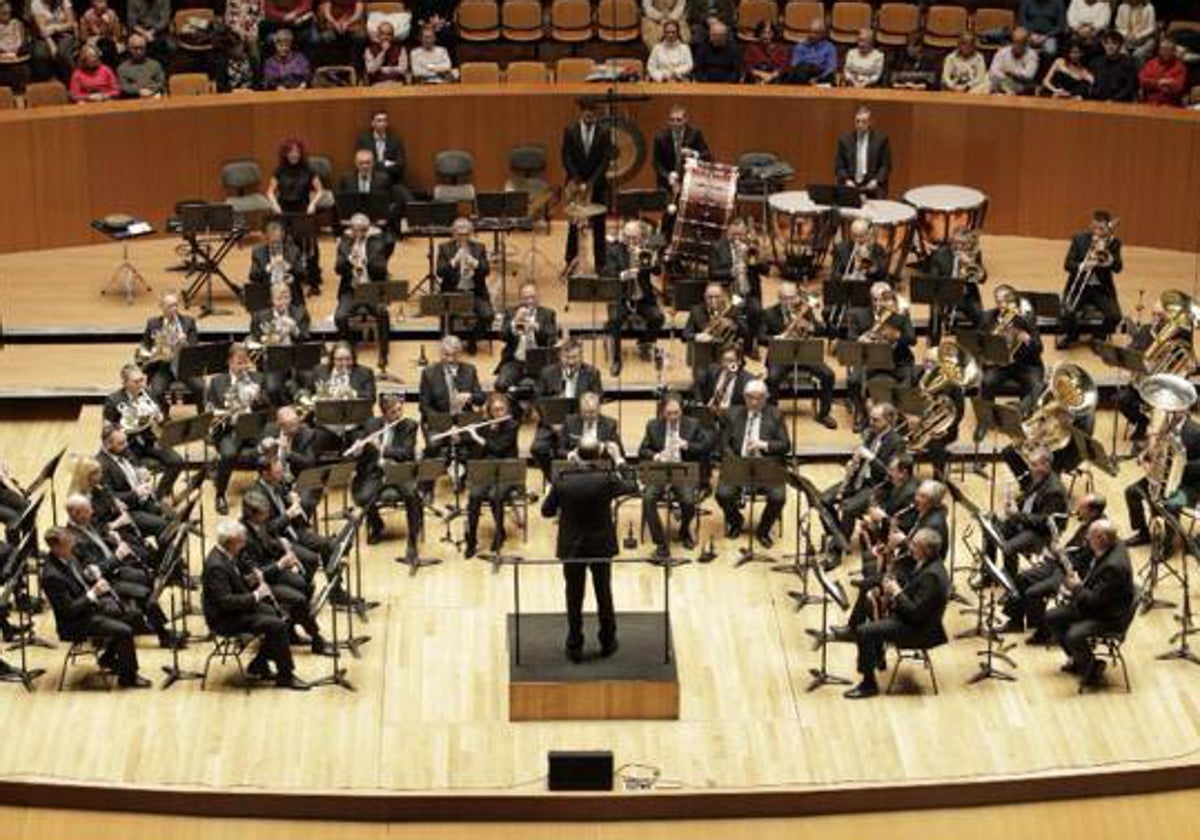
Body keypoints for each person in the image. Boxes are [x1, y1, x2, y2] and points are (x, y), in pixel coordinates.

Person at [541, 436, 637, 663]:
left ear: (577, 454)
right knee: (603, 593)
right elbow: (634, 485)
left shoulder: (562, 479)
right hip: (600, 545)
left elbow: (546, 511)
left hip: (572, 545)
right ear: (598, 455)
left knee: (574, 596)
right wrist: (619, 459)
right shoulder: (607, 479)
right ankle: (607, 641)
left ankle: (574, 645)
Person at [202, 520, 311, 689]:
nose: (244, 544)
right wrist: (256, 595)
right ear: (231, 542)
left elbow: (235, 583)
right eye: (241, 541)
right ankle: (285, 675)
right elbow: (225, 602)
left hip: (238, 608)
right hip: (225, 619)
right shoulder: (216, 565)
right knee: (277, 625)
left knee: (283, 616)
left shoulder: (228, 555)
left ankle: (259, 664)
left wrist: (252, 579)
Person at [843, 528, 949, 699]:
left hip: (919, 630)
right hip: (911, 620)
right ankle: (877, 657)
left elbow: (915, 615)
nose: (910, 547)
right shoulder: (927, 562)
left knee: (864, 631)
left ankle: (868, 685)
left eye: (915, 545)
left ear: (927, 550)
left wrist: (896, 592)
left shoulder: (933, 576)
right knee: (870, 604)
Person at [41, 527, 151, 689]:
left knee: (133, 615)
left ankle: (107, 658)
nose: (72, 545)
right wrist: (94, 593)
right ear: (56, 547)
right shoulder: (52, 576)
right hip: (74, 623)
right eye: (67, 543)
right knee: (124, 631)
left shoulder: (67, 557)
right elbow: (68, 610)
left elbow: (79, 579)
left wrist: (89, 575)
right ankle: (128, 677)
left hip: (88, 608)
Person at [1003, 493, 1106, 641]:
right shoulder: (1089, 521)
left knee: (1033, 592)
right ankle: (1015, 621)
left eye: (1082, 507)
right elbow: (1074, 548)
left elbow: (1085, 560)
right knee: (1021, 578)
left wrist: (1060, 553)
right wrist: (1057, 552)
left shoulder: (1098, 530)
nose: (1077, 509)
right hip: (1061, 563)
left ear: (1093, 511)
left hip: (1073, 574)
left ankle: (1045, 631)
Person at [1044, 520, 1134, 686]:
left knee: (1073, 634)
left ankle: (1092, 673)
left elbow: (1096, 602)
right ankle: (1081, 660)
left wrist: (1077, 588)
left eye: (1090, 536)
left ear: (1101, 538)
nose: (1086, 538)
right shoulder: (1112, 543)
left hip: (1109, 615)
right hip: (1100, 603)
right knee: (1052, 616)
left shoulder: (1113, 567)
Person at [820, 402, 906, 570]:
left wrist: (871, 458)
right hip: (858, 479)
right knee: (823, 500)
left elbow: (890, 475)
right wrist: (852, 464)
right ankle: (837, 536)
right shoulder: (870, 433)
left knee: (848, 508)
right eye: (871, 419)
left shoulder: (897, 443)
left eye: (876, 420)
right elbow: (861, 459)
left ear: (889, 420)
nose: (871, 423)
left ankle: (836, 552)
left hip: (877, 486)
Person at [715, 380, 790, 548]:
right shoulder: (732, 414)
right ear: (744, 397)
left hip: (767, 466)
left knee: (778, 497)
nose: (754, 402)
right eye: (750, 398)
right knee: (722, 494)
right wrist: (734, 461)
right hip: (739, 465)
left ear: (766, 397)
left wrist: (764, 445)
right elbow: (723, 444)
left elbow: (785, 445)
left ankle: (763, 530)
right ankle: (736, 521)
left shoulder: (776, 415)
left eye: (759, 398)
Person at [639, 393, 711, 557]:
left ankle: (684, 530)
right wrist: (656, 456)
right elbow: (642, 450)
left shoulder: (693, 424)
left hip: (683, 471)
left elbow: (705, 447)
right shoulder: (653, 425)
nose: (673, 417)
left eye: (676, 413)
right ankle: (660, 542)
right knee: (648, 498)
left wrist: (687, 445)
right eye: (669, 413)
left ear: (682, 411)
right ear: (662, 411)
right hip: (659, 471)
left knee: (688, 500)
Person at [348, 393, 423, 551]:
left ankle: (413, 537)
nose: (398, 415)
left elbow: (406, 453)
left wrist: (381, 448)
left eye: (400, 410)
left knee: (412, 494)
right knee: (362, 497)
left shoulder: (410, 425)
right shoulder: (371, 425)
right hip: (376, 472)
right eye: (394, 412)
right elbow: (363, 453)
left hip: (399, 471)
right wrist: (358, 450)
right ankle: (377, 525)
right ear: (384, 413)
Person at [985, 447, 1068, 581]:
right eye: (1030, 464)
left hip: (1040, 534)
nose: (1030, 468)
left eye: (1034, 465)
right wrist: (1013, 503)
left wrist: (1017, 515)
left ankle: (1011, 583)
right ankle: (987, 575)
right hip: (1026, 522)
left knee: (1008, 547)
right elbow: (1028, 499)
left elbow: (1044, 521)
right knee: (991, 527)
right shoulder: (1039, 477)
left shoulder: (1055, 491)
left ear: (1046, 464)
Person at [761, 282, 836, 429]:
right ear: (779, 298)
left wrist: (811, 326)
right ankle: (773, 416)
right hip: (780, 355)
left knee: (829, 375)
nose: (789, 301)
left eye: (792, 297)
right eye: (785, 298)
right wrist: (776, 338)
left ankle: (824, 414)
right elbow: (760, 336)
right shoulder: (769, 313)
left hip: (805, 353)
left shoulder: (804, 310)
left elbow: (822, 330)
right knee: (772, 378)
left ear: (797, 296)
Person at [102, 365, 183, 500]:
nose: (141, 385)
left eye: (142, 380)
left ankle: (159, 495)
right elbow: (106, 432)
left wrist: (160, 418)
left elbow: (161, 423)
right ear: (125, 383)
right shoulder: (113, 400)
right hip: (126, 446)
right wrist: (123, 428)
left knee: (177, 461)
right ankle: (143, 500)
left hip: (149, 440)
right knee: (140, 474)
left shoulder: (149, 394)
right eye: (136, 382)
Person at [207, 343, 271, 515]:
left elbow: (267, 407)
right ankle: (220, 494)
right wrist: (221, 413)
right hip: (229, 429)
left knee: (270, 445)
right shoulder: (217, 382)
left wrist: (258, 398)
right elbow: (209, 409)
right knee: (228, 455)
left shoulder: (257, 378)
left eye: (245, 363)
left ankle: (270, 492)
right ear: (229, 362)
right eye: (239, 363)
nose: (243, 367)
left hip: (252, 427)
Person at [1125, 410, 1200, 546]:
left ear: (1186, 408)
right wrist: (1146, 454)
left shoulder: (1196, 432)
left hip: (1187, 485)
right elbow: (1158, 450)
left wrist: (1182, 464)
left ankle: (1168, 545)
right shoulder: (1165, 426)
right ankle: (1143, 533)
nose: (1172, 409)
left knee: (1171, 505)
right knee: (1132, 492)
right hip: (1162, 478)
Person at [530, 340, 603, 480]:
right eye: (567, 357)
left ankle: (588, 478)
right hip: (552, 422)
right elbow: (537, 401)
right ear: (560, 356)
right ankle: (554, 479)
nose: (571, 361)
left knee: (593, 446)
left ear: (581, 356)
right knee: (538, 448)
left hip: (581, 421)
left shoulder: (592, 373)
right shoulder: (547, 373)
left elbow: (597, 398)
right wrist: (552, 424)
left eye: (574, 357)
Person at [846, 283, 916, 427]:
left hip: (897, 359)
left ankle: (900, 416)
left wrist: (896, 335)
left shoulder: (901, 314)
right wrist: (861, 339)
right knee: (853, 381)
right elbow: (851, 337)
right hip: (868, 360)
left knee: (909, 379)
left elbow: (912, 339)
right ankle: (862, 414)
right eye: (875, 299)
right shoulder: (858, 315)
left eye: (883, 299)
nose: (879, 303)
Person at [602, 220, 665, 377]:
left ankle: (644, 341)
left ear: (641, 236)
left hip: (643, 298)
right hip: (621, 298)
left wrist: (651, 261)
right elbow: (608, 273)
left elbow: (657, 272)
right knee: (615, 320)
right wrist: (624, 274)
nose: (630, 241)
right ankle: (616, 359)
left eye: (634, 237)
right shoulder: (614, 250)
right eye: (627, 237)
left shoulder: (647, 248)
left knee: (657, 318)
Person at [463, 394, 519, 558]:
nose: (499, 413)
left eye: (502, 409)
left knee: (495, 495)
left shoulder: (512, 425)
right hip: (486, 470)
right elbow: (473, 449)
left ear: (506, 409)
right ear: (490, 411)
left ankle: (500, 533)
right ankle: (472, 540)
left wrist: (478, 438)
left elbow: (499, 449)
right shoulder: (484, 425)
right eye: (496, 410)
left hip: (507, 471)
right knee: (475, 495)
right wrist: (460, 436)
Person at [978, 284, 1044, 420]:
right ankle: (988, 417)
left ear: (1014, 301)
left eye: (1005, 301)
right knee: (986, 381)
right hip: (1000, 365)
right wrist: (993, 337)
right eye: (998, 301)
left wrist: (1028, 339)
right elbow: (981, 345)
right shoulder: (988, 318)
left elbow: (1038, 349)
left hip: (1027, 365)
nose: (1001, 305)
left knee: (1037, 385)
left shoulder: (1027, 318)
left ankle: (1024, 413)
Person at [1058, 210, 1122, 348]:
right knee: (1066, 313)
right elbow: (1068, 264)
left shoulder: (1114, 243)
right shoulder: (1079, 239)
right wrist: (1083, 266)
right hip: (1080, 285)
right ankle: (1072, 336)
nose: (1097, 232)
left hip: (1101, 288)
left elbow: (1118, 267)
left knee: (1115, 317)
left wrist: (1109, 260)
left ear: (1107, 228)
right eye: (1094, 227)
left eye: (1101, 228)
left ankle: (1097, 337)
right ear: (1090, 225)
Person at [96, 424, 173, 536]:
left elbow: (136, 463)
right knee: (163, 526)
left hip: (142, 501)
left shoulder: (122, 450)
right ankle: (161, 554)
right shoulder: (101, 466)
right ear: (107, 445)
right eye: (121, 443)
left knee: (174, 518)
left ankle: (170, 552)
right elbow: (110, 498)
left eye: (125, 441)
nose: (126, 445)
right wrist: (136, 493)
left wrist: (141, 471)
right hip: (127, 510)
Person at [561, 102, 610, 274]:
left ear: (596, 112)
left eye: (592, 110)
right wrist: (578, 180)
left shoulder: (604, 131)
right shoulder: (570, 130)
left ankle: (601, 264)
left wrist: (590, 183)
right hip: (575, 184)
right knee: (574, 224)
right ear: (581, 112)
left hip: (597, 184)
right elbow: (566, 157)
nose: (589, 113)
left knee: (599, 225)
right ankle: (571, 261)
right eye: (586, 110)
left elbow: (605, 160)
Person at [333, 213, 392, 353]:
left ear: (368, 230)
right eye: (356, 230)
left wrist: (366, 261)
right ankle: (349, 345)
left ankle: (384, 351)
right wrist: (349, 259)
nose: (359, 233)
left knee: (383, 314)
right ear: (351, 230)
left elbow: (381, 271)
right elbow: (338, 269)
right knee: (340, 317)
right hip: (351, 290)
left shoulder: (377, 243)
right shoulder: (344, 243)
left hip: (371, 290)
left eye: (363, 230)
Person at [436, 217, 492, 354]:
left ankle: (472, 338)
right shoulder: (444, 248)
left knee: (488, 315)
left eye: (467, 234)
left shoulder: (479, 248)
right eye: (460, 235)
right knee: (447, 314)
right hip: (453, 293)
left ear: (471, 233)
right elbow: (440, 272)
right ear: (453, 234)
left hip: (474, 292)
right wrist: (454, 261)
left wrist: (474, 262)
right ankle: (450, 344)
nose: (463, 238)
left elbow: (486, 271)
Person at [136, 291, 200, 410]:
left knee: (201, 387)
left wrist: (185, 343)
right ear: (162, 307)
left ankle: (202, 417)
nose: (174, 309)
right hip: (163, 367)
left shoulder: (188, 322)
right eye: (170, 306)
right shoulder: (153, 323)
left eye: (176, 305)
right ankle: (165, 416)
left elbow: (195, 347)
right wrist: (155, 352)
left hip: (185, 366)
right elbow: (145, 346)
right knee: (157, 391)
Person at [494, 282, 559, 395]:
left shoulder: (548, 314)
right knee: (501, 385)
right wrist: (514, 321)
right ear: (520, 298)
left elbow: (552, 339)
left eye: (532, 297)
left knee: (544, 389)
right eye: (525, 298)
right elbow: (503, 336)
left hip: (539, 362)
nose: (530, 301)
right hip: (515, 360)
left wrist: (537, 328)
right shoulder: (510, 312)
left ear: (538, 296)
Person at [926, 229, 987, 333]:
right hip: (944, 293)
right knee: (936, 316)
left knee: (981, 319)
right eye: (955, 242)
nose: (958, 246)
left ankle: (967, 337)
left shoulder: (973, 254)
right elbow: (933, 279)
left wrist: (970, 263)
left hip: (966, 294)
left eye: (963, 244)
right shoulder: (940, 255)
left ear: (969, 244)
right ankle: (934, 342)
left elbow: (982, 279)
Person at [834, 105, 891, 199]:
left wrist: (876, 181)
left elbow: (885, 166)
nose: (860, 125)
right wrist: (847, 180)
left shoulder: (881, 139)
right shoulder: (844, 140)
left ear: (870, 122)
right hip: (851, 184)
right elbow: (839, 166)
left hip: (873, 186)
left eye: (864, 122)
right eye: (857, 121)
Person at [249, 219, 306, 302]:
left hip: (289, 294)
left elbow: (303, 275)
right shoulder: (258, 252)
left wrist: (290, 268)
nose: (275, 245)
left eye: (278, 241)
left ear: (283, 236)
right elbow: (253, 276)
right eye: (272, 242)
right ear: (266, 238)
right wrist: (268, 268)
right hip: (267, 293)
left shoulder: (294, 251)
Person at [268, 137, 324, 217]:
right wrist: (275, 205)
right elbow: (270, 192)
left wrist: (313, 204)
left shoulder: (309, 169)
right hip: (283, 208)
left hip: (303, 207)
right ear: (285, 154)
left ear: (301, 153)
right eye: (290, 152)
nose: (294, 154)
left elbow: (320, 190)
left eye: (297, 151)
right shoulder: (279, 170)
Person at [694, 343, 751, 414]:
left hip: (731, 418)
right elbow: (699, 384)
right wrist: (699, 403)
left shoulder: (747, 381)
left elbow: (748, 406)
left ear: (739, 361)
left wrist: (728, 411)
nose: (726, 364)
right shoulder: (713, 370)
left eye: (730, 360)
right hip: (709, 413)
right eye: (724, 360)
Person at [829, 217, 888, 285]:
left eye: (861, 236)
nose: (857, 240)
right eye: (854, 236)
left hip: (869, 285)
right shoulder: (841, 248)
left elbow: (883, 275)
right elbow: (835, 273)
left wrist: (869, 265)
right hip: (847, 286)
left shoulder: (878, 250)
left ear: (870, 234)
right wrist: (843, 278)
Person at [30, 0, 77, 82]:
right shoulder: (36, 3)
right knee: (40, 55)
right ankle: (48, 83)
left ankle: (72, 81)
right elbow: (42, 29)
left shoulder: (64, 2)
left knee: (62, 53)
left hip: (65, 34)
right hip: (45, 37)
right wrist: (51, 45)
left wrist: (55, 28)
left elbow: (70, 24)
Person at [1089, 30, 1138, 101]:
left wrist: (1114, 99)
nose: (1110, 46)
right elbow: (1091, 84)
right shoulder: (1096, 62)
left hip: (1120, 103)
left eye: (1114, 43)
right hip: (1098, 102)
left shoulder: (1128, 63)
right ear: (1103, 45)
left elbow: (1131, 87)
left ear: (1120, 45)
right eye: (1107, 43)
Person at [989, 27, 1040, 94]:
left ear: (1026, 43)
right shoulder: (1002, 52)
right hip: (1003, 81)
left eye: (1020, 43)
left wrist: (1012, 72)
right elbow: (993, 70)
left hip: (1021, 83)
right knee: (993, 83)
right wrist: (1005, 79)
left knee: (1023, 87)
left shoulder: (1032, 55)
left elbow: (1029, 75)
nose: (1017, 45)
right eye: (1015, 42)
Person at [1139, 38, 1187, 107]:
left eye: (1168, 49)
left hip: (1171, 103)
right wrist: (1159, 82)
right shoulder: (1151, 63)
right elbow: (1143, 80)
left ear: (1174, 51)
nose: (1165, 52)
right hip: (1151, 102)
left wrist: (1155, 84)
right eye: (1163, 49)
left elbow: (1179, 87)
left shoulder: (1180, 67)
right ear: (1159, 50)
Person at [116, 33, 164, 98]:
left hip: (154, 96)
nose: (139, 51)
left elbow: (161, 82)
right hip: (133, 99)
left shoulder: (155, 64)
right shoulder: (122, 68)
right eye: (136, 48)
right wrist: (139, 91)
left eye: (142, 48)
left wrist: (151, 89)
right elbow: (124, 86)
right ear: (129, 48)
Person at [78, 0, 121, 67]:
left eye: (104, 1)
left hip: (109, 39)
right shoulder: (88, 15)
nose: (103, 4)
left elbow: (117, 35)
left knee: (112, 48)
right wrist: (104, 23)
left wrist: (113, 22)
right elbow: (96, 33)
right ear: (93, 3)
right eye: (99, 1)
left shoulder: (111, 13)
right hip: (93, 40)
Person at [363, 20, 407, 85]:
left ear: (392, 36)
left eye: (389, 34)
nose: (385, 37)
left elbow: (403, 69)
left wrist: (387, 69)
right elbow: (371, 69)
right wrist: (383, 52)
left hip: (396, 83)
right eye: (382, 34)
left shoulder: (401, 49)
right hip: (378, 84)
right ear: (378, 35)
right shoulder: (369, 50)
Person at [1115, 0, 1156, 65]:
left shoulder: (1149, 8)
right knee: (1122, 53)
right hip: (1126, 40)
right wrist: (1126, 34)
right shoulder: (1122, 7)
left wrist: (1137, 36)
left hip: (1145, 41)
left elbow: (1151, 28)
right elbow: (1118, 26)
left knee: (1137, 54)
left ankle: (1140, 74)